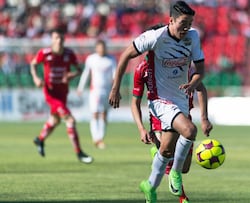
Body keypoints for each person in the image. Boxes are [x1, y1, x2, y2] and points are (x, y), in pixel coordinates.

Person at [108, 1, 205, 202]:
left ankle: (150, 186)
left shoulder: (193, 37)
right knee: (190, 131)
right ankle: (175, 174)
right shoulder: (154, 37)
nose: (186, 28)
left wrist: (192, 83)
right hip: (160, 101)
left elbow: (201, 71)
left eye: (189, 23)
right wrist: (116, 87)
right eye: (183, 23)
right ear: (170, 20)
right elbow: (125, 55)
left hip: (181, 100)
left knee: (167, 150)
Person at [131, 57, 212, 203]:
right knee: (168, 153)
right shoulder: (142, 69)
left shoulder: (180, 64)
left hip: (183, 115)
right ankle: (182, 197)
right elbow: (135, 102)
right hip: (160, 115)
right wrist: (141, 128)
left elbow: (200, 87)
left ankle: (157, 158)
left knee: (184, 167)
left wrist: (204, 118)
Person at [30, 28, 93, 164]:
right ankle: (79, 153)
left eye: (61, 38)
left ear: (64, 40)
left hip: (63, 93)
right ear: (52, 40)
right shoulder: (45, 53)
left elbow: (79, 70)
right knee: (70, 120)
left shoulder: (69, 54)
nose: (58, 41)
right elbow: (33, 63)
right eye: (56, 38)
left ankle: (40, 140)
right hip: (51, 94)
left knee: (55, 120)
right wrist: (36, 78)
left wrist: (71, 75)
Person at [77, 40, 116, 149]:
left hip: (107, 91)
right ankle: (96, 138)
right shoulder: (91, 59)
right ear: (96, 48)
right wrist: (80, 87)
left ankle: (100, 138)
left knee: (104, 114)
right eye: (99, 47)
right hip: (95, 91)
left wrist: (115, 89)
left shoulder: (111, 59)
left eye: (103, 47)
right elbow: (86, 74)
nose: (101, 50)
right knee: (95, 113)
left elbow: (115, 75)